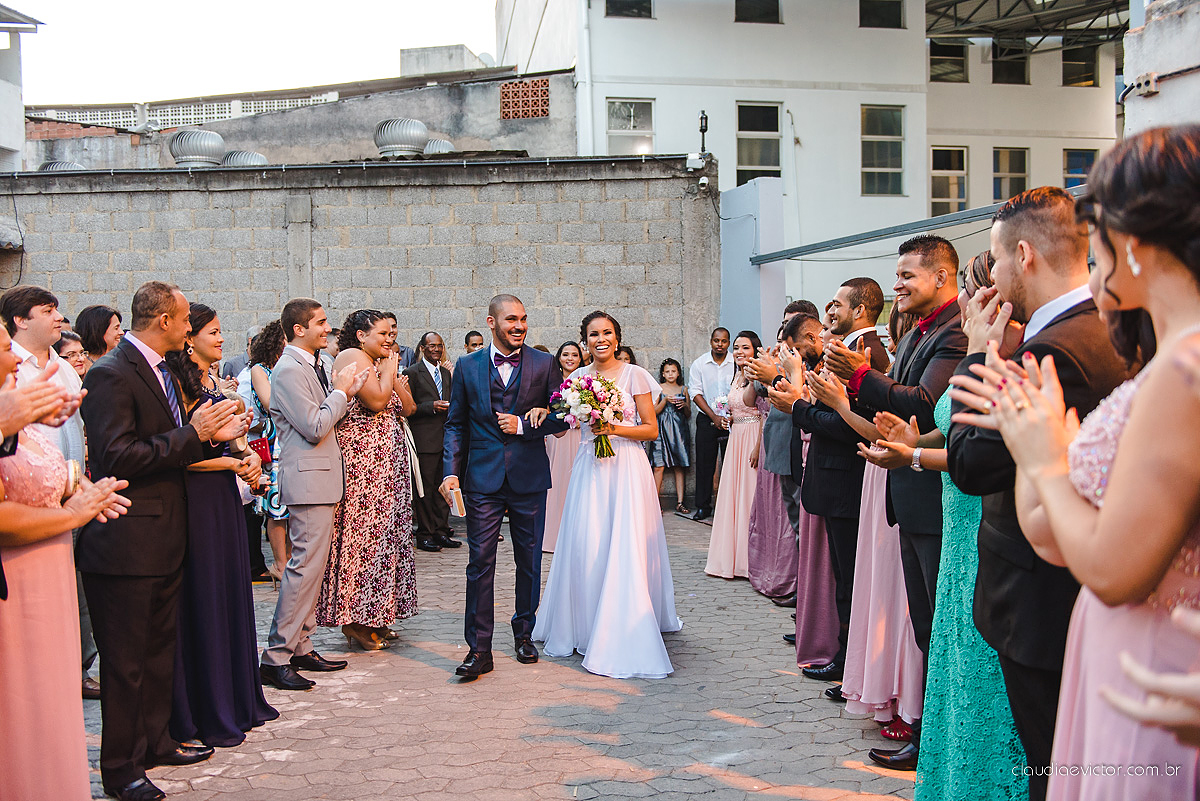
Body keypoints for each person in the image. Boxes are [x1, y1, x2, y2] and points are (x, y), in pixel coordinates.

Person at [951, 129, 1199, 799]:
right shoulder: (1168, 351)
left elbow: (1114, 569)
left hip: (1152, 657)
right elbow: (1052, 529)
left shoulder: (1184, 367)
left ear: (1136, 240)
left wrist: (1046, 457)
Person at [946, 188, 1130, 800]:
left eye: (995, 261)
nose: (992, 276)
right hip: (1059, 588)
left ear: (1023, 254)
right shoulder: (1101, 327)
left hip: (1040, 602)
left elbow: (972, 464)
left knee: (1053, 769)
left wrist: (977, 353)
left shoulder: (1052, 351)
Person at [856, 251, 1027, 800]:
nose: (898, 284)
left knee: (973, 647)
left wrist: (911, 453)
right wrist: (912, 443)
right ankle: (945, 750)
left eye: (907, 274)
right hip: (946, 507)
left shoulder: (985, 344)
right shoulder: (940, 338)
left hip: (971, 508)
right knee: (940, 633)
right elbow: (945, 426)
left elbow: (973, 442)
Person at [78, 281, 249, 801]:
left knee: (157, 655)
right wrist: (194, 436)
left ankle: (156, 741)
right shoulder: (111, 374)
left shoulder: (159, 370)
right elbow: (116, 457)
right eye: (183, 316)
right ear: (165, 323)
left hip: (166, 537)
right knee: (126, 666)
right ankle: (121, 770)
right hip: (127, 542)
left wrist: (207, 436)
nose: (189, 324)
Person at [823, 236, 968, 770]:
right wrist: (864, 398)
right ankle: (928, 736)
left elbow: (927, 409)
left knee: (936, 622)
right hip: (906, 489)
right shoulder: (915, 335)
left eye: (907, 275)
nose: (898, 286)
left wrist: (860, 378)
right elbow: (900, 406)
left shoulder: (954, 333)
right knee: (925, 621)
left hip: (933, 492)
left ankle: (934, 739)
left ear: (942, 277)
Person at [0, 319, 131, 801]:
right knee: (23, 709)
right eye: (4, 350)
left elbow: (37, 476)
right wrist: (72, 514)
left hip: (50, 573)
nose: (16, 359)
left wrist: (80, 487)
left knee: (53, 706)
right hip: (18, 585)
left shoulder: (15, 416)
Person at [533, 311, 683, 678]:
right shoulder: (577, 378)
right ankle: (584, 622)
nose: (601, 339)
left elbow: (649, 430)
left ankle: (626, 621)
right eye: (593, 334)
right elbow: (562, 418)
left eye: (607, 333)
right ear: (584, 340)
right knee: (589, 543)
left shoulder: (636, 376)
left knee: (624, 544)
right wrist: (543, 411)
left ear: (617, 338)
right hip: (590, 468)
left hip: (627, 469)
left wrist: (612, 426)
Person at [163, 303, 278, 748]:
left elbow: (227, 440)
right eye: (213, 331)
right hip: (199, 500)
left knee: (232, 594)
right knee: (206, 597)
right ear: (189, 337)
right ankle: (208, 705)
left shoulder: (213, 382)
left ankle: (235, 697)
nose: (221, 339)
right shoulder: (180, 383)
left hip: (226, 497)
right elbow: (186, 454)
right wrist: (233, 462)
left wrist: (245, 451)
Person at [439, 294, 568, 678]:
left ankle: (524, 633)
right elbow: (456, 424)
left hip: (528, 474)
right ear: (492, 322)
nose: (519, 326)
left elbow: (564, 416)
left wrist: (528, 424)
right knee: (479, 563)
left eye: (524, 319)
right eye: (511, 319)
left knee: (528, 561)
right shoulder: (466, 366)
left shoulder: (544, 364)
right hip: (482, 478)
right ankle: (479, 650)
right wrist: (450, 472)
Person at [260, 298, 369, 692]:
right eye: (321, 323)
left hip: (320, 479)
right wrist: (340, 393)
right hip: (307, 480)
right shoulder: (289, 369)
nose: (328, 329)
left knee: (313, 571)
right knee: (303, 570)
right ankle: (275, 656)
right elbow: (314, 426)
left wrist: (347, 392)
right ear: (298, 329)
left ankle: (302, 645)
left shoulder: (311, 364)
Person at [1, 285, 97, 700]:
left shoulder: (62, 366)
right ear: (21, 320)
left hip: (72, 490)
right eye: (48, 310)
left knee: (79, 591)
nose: (59, 317)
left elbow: (73, 429)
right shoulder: (13, 371)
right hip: (30, 500)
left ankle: (78, 667)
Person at [317, 310, 419, 651]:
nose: (390, 338)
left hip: (387, 469)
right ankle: (354, 620)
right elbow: (376, 402)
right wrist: (388, 374)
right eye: (384, 333)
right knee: (362, 543)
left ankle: (376, 614)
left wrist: (393, 375)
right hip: (364, 470)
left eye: (394, 332)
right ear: (361, 335)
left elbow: (408, 409)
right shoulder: (352, 357)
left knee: (384, 543)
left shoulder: (380, 363)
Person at [705, 331, 764, 578]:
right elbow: (739, 405)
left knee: (748, 497)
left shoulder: (756, 375)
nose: (740, 352)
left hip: (752, 437)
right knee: (733, 496)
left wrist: (758, 446)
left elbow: (762, 412)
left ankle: (749, 560)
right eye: (737, 348)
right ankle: (730, 556)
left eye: (745, 348)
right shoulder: (736, 375)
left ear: (755, 351)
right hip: (736, 436)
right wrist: (731, 417)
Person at [405, 331, 460, 552]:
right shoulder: (412, 373)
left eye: (439, 345)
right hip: (425, 440)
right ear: (422, 348)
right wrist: (431, 406)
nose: (436, 349)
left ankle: (441, 530)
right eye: (431, 346)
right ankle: (425, 534)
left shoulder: (446, 374)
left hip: (445, 440)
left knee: (443, 488)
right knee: (426, 490)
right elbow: (408, 408)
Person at [247, 321, 290, 581]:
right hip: (274, 440)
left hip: (295, 436)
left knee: (293, 504)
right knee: (276, 506)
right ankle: (280, 564)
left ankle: (294, 562)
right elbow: (270, 402)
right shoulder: (259, 370)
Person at [688, 327, 734, 521]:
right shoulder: (700, 364)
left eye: (723, 341)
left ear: (728, 343)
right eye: (716, 341)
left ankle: (728, 508)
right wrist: (713, 416)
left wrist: (727, 416)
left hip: (731, 418)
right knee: (705, 464)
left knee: (730, 463)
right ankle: (703, 506)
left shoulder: (735, 363)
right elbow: (695, 393)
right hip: (707, 419)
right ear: (711, 341)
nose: (720, 345)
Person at [543, 341, 585, 552]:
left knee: (579, 483)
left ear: (580, 358)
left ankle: (579, 539)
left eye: (574, 355)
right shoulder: (552, 382)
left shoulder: (587, 381)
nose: (570, 358)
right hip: (558, 437)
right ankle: (552, 537)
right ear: (559, 357)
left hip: (580, 437)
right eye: (565, 354)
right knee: (557, 481)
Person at [649, 358, 690, 516]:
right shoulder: (659, 389)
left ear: (678, 373)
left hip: (679, 430)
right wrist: (665, 400)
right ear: (663, 374)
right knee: (658, 466)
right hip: (661, 429)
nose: (670, 374)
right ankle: (654, 502)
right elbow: (654, 412)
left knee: (679, 465)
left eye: (673, 371)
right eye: (667, 371)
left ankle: (680, 502)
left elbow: (688, 414)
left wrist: (684, 405)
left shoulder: (683, 389)